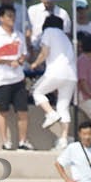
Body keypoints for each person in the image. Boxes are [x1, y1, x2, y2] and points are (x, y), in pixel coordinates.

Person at [0, 1, 31, 149]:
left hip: (18, 78)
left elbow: (24, 54)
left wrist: (20, 60)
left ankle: (23, 141)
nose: (12, 19)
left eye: (13, 16)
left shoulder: (19, 36)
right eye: (9, 16)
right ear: (1, 18)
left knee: (22, 111)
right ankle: (5, 141)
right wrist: (7, 61)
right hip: (2, 79)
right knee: (3, 111)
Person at [31, 13, 77, 149]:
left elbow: (45, 52)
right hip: (71, 75)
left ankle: (50, 113)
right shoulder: (66, 38)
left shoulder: (49, 31)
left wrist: (35, 64)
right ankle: (63, 139)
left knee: (37, 92)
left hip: (56, 72)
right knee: (63, 106)